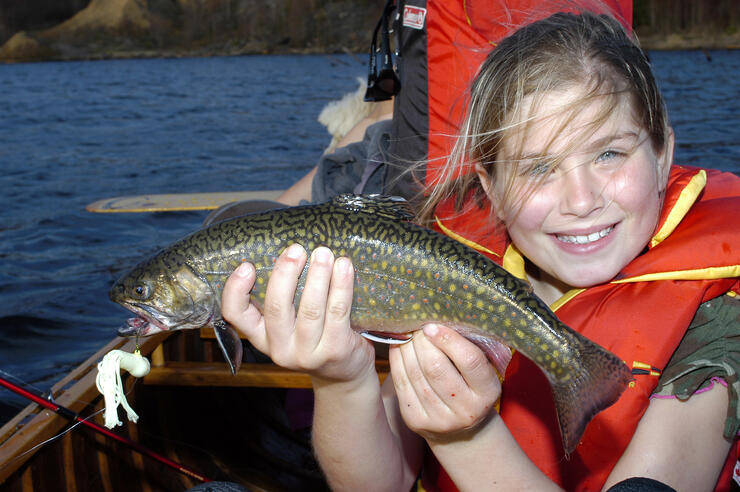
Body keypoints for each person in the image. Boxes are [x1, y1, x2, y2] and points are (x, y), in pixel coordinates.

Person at [221, 9, 740, 492]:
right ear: (488, 187)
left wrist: (465, 438)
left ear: (662, 152)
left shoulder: (721, 318)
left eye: (609, 153)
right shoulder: (448, 274)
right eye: (537, 167)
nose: (581, 201)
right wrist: (340, 377)